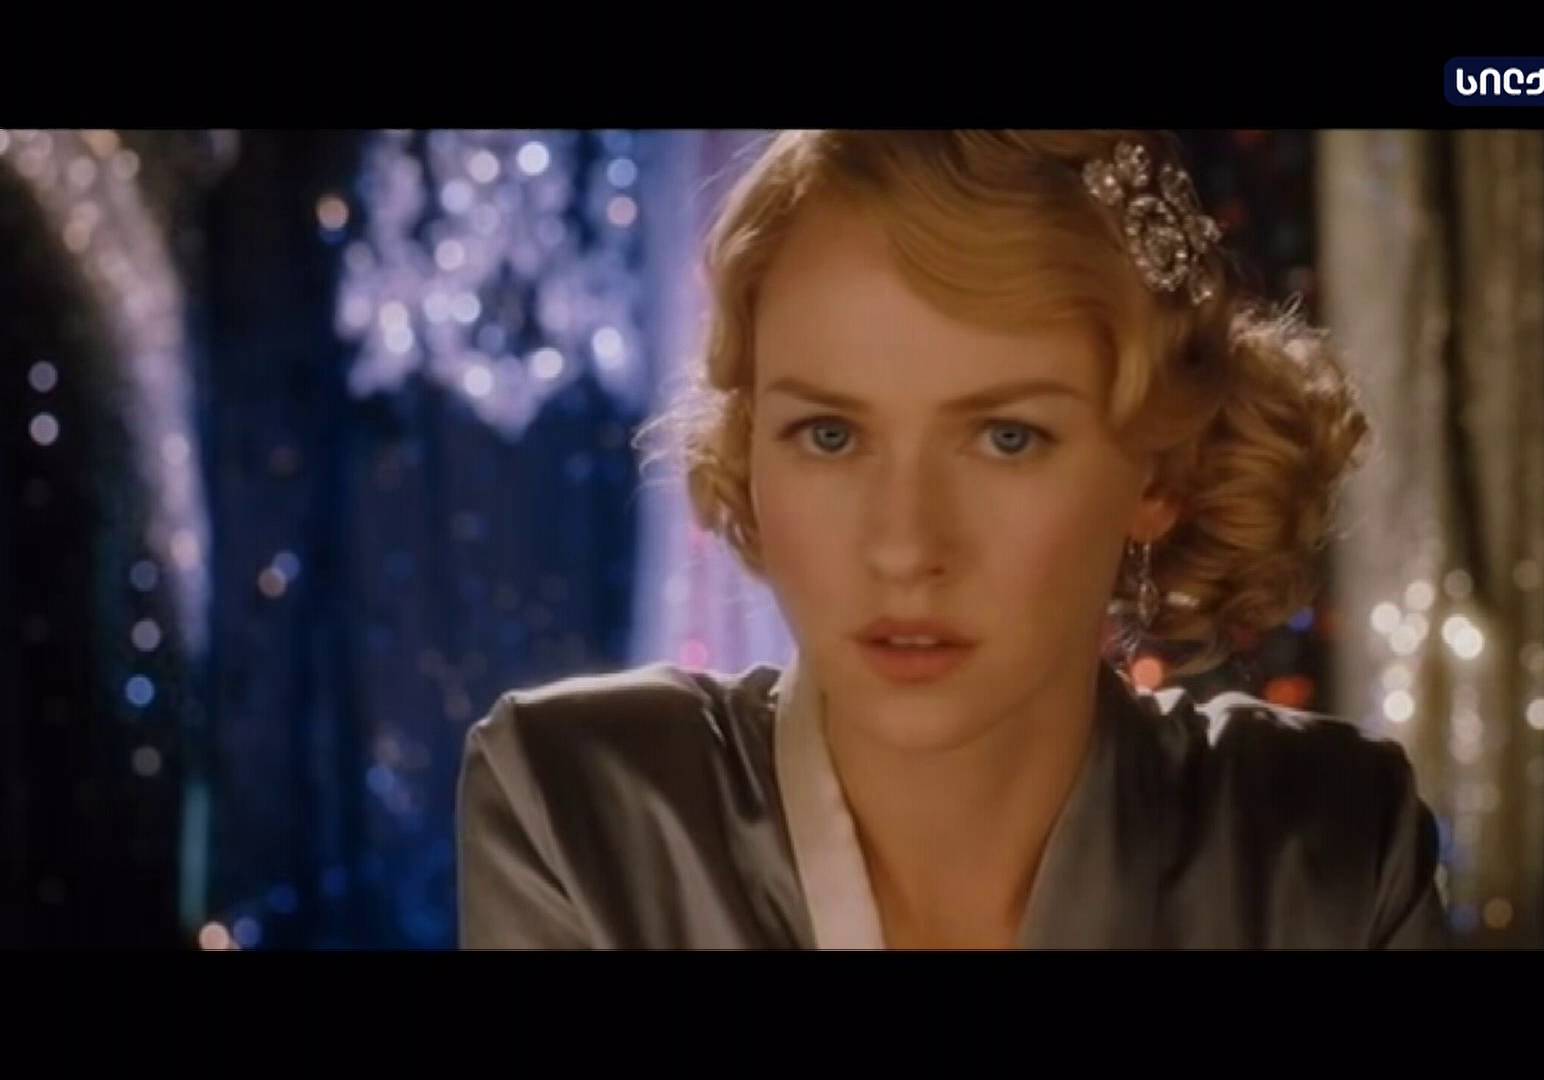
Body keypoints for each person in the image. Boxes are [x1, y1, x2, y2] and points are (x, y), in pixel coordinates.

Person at [456, 130, 1451, 949]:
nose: (904, 546)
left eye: (1007, 438)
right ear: (752, 451)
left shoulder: (1320, 849)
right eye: (830, 435)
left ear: (1160, 475)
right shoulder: (581, 810)